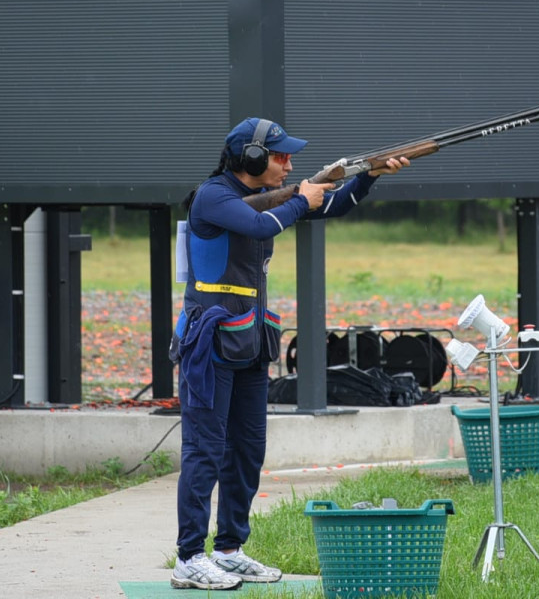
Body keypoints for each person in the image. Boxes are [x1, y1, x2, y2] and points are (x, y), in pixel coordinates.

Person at [168, 117, 408, 591]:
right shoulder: (212, 197)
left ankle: (230, 549)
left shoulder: (266, 199)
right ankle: (190, 557)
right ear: (252, 160)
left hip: (249, 339)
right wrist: (301, 197)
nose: (289, 164)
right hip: (209, 344)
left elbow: (333, 206)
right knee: (204, 452)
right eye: (280, 157)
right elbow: (261, 222)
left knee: (248, 451)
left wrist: (370, 174)